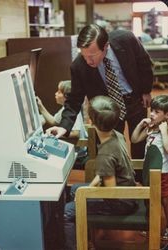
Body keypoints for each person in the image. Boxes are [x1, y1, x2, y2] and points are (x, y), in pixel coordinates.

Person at [46, 24, 153, 159]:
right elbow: (74, 100)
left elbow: (144, 62)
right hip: (108, 110)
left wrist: (146, 90)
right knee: (112, 148)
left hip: (135, 99)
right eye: (84, 55)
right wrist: (64, 127)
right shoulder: (78, 66)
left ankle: (139, 177)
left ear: (106, 46)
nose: (88, 61)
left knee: (140, 142)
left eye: (92, 56)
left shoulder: (126, 39)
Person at [64, 96, 137, 250]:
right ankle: (86, 239)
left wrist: (84, 195)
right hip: (127, 194)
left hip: (120, 202)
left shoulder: (105, 154)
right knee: (75, 189)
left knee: (67, 211)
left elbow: (110, 193)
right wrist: (86, 189)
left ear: (91, 121)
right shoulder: (117, 135)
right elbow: (104, 174)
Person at [131, 95, 168, 250]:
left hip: (164, 174)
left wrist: (164, 131)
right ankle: (150, 229)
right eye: (151, 110)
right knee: (150, 203)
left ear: (166, 115)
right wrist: (141, 125)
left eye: (156, 111)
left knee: (166, 204)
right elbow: (134, 139)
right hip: (149, 173)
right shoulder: (151, 127)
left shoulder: (166, 129)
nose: (151, 114)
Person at [36, 80, 87, 163]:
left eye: (59, 92)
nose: (55, 94)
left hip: (79, 155)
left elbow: (76, 133)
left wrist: (55, 135)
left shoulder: (73, 111)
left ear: (67, 97)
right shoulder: (65, 109)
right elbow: (53, 121)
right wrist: (40, 105)